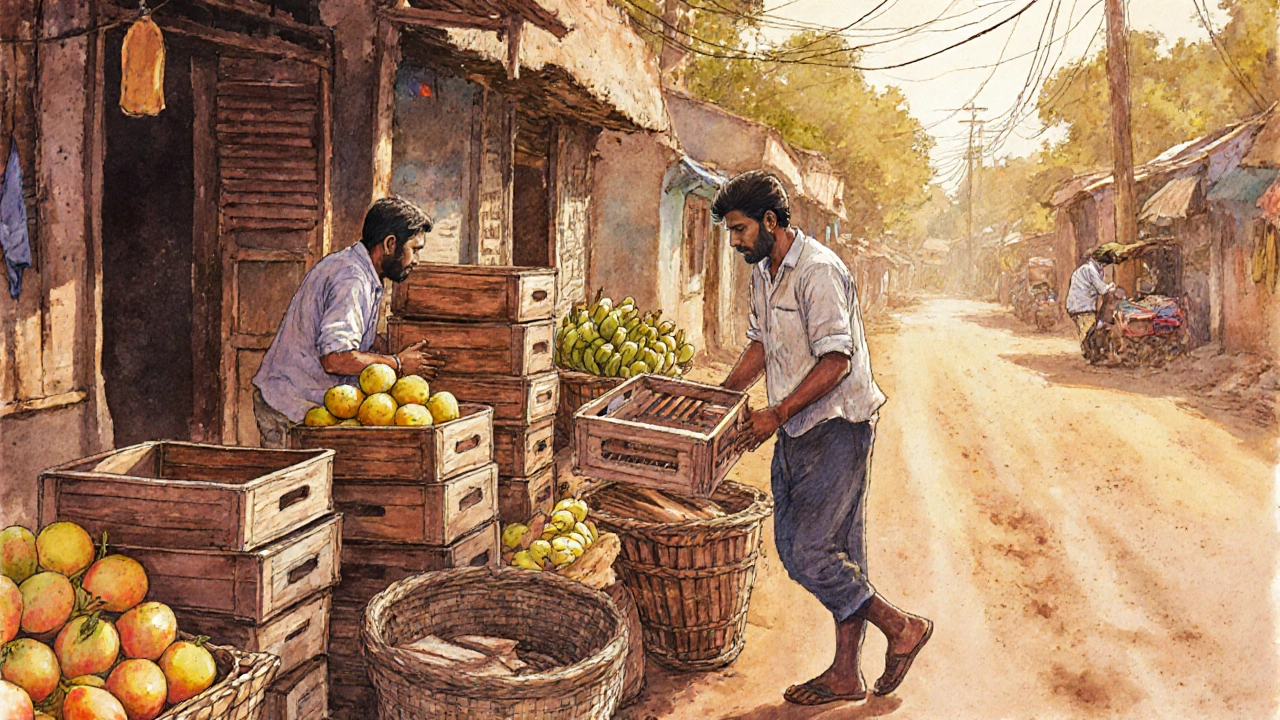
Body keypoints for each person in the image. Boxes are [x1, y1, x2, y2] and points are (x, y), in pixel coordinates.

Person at [715, 171, 932, 706]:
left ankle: (902, 627)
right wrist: (721, 397)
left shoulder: (819, 270)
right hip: (797, 426)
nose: (735, 241)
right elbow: (761, 345)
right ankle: (845, 673)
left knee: (808, 553)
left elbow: (837, 360)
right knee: (833, 552)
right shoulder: (763, 273)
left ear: (770, 221)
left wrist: (775, 413)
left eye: (740, 229)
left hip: (837, 426)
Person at [251, 196, 442, 447]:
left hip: (310, 406)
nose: (416, 260)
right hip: (290, 408)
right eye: (414, 250)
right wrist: (397, 364)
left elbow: (352, 340)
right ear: (390, 244)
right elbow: (335, 358)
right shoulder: (351, 278)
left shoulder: (362, 273)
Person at [1066, 246, 1118, 342]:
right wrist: (1111, 286)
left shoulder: (1086, 269)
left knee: (1084, 334)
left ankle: (1085, 348)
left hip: (1077, 307)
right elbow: (1102, 289)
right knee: (1086, 335)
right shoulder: (1090, 270)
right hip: (1083, 308)